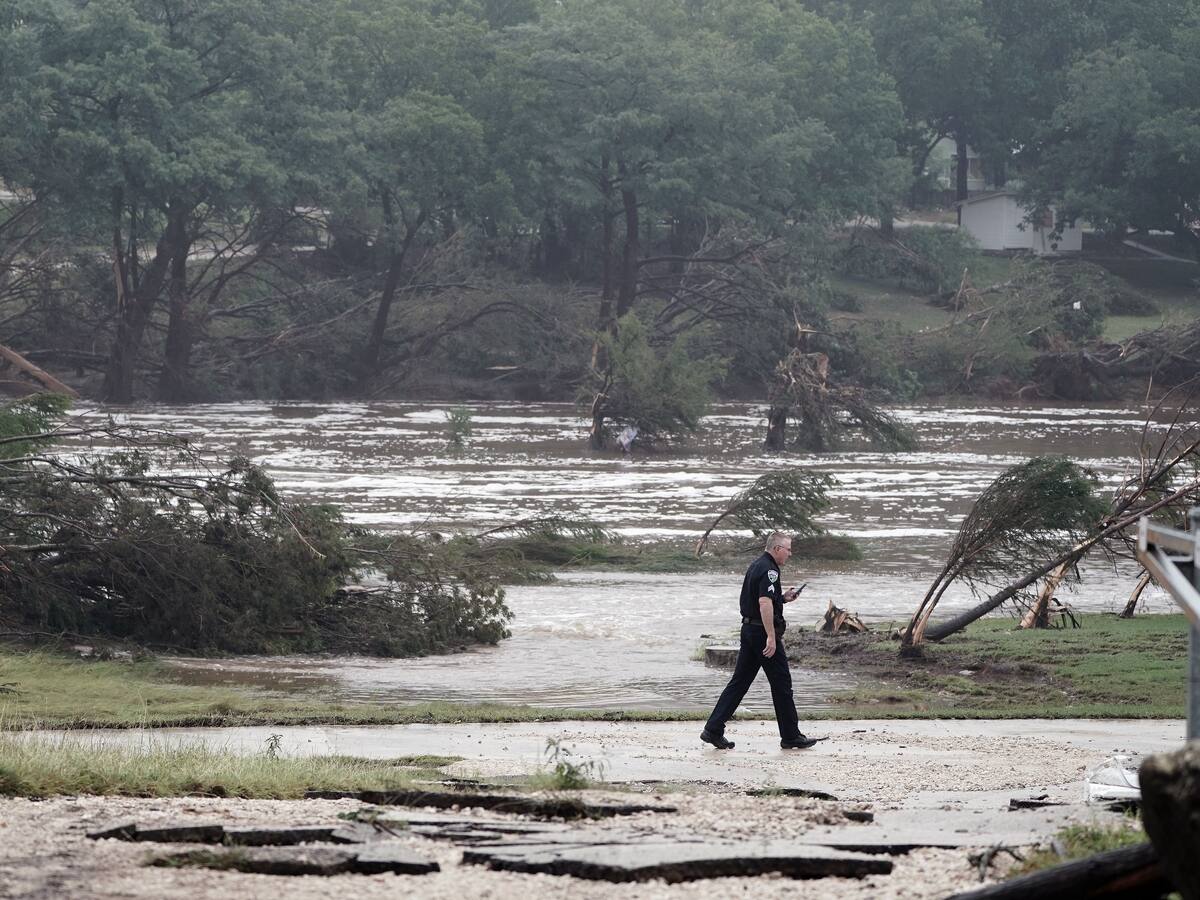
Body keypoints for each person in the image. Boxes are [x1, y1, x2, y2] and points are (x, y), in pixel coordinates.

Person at [701, 531, 819, 750]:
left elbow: (763, 600)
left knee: (739, 682)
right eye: (788, 549)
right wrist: (771, 637)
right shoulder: (770, 570)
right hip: (761, 634)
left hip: (749, 630)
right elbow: (764, 604)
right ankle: (791, 735)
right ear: (777, 549)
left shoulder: (758, 565)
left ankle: (713, 729)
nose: (790, 554)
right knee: (782, 683)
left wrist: (783, 598)